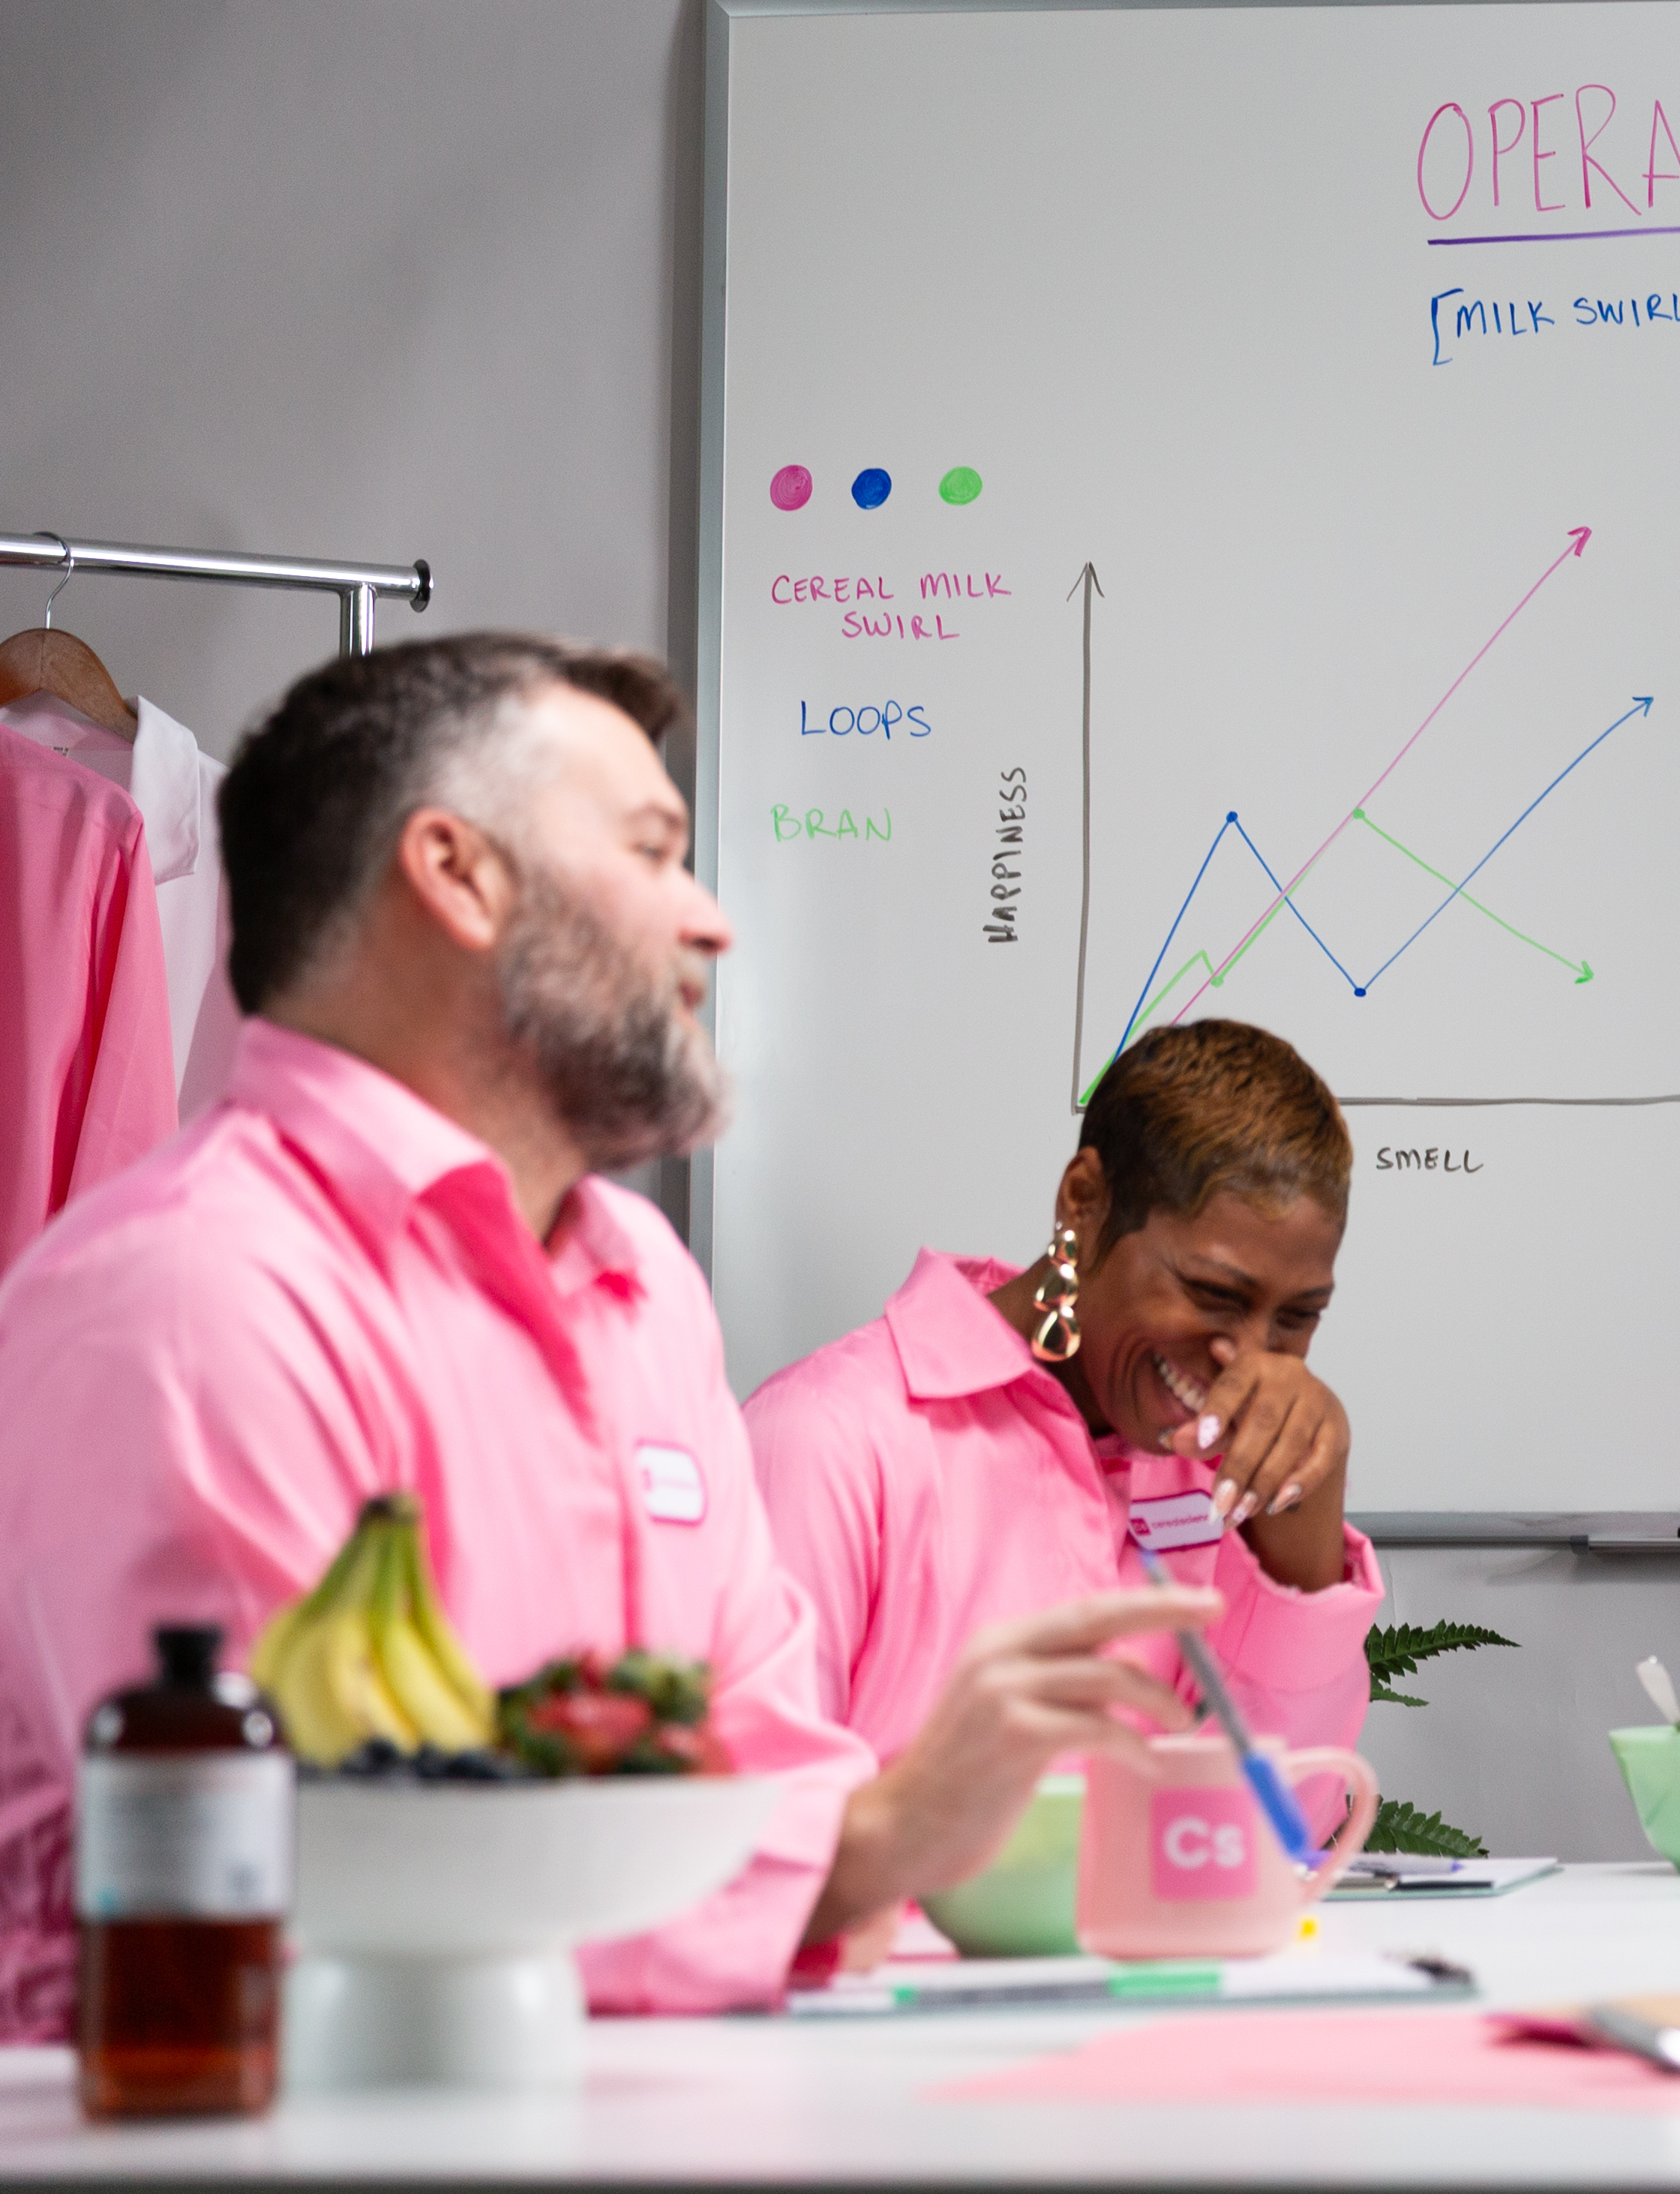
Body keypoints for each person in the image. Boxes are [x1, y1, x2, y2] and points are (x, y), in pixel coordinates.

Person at [0, 634, 1211, 2033]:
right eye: (650, 851)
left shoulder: (638, 1275)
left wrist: (856, 1842)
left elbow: (756, 1740)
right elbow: (341, 1897)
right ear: (457, 873)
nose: (712, 919)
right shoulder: (191, 1300)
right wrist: (869, 1848)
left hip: (634, 2148)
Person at [744, 1017, 1380, 1776]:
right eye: (1212, 1293)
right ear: (1084, 1201)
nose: (1247, 1358)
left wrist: (1303, 1548)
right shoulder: (829, 1438)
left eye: (1298, 1316)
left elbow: (1274, 1831)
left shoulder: (1222, 1471)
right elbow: (756, 1829)